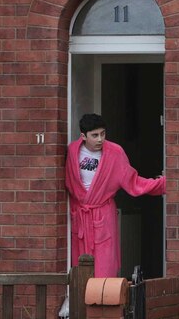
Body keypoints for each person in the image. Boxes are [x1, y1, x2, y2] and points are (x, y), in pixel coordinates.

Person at [65, 113, 166, 277]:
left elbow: (132, 181)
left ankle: (105, 300)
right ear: (83, 136)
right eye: (95, 135)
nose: (100, 139)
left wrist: (163, 184)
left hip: (102, 214)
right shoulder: (72, 151)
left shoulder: (115, 153)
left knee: (105, 264)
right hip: (80, 217)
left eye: (103, 134)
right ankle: (79, 301)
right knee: (79, 267)